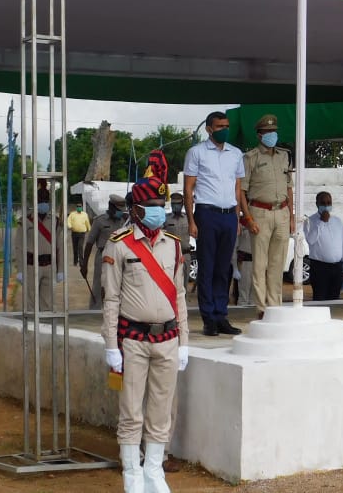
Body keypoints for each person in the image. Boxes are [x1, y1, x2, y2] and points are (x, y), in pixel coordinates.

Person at [101, 174, 188, 493]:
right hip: (133, 339)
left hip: (167, 339)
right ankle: (132, 473)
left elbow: (179, 295)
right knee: (131, 410)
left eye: (161, 206)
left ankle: (153, 470)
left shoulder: (173, 246)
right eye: (151, 206)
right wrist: (112, 344)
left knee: (161, 410)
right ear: (136, 210)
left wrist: (184, 342)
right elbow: (110, 298)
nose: (158, 212)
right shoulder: (119, 244)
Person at [183, 111, 250, 337]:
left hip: (229, 214)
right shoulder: (196, 153)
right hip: (206, 214)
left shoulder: (236, 154)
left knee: (224, 268)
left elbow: (237, 187)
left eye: (227, 125)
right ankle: (209, 318)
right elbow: (188, 188)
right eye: (220, 126)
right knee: (208, 268)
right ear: (209, 129)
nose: (225, 129)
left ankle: (222, 315)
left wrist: (238, 216)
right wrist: (192, 220)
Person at [240, 114, 294, 318]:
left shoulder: (284, 155)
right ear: (259, 135)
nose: (272, 135)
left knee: (277, 263)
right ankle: (261, 308)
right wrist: (248, 218)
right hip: (259, 211)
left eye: (274, 131)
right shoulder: (250, 157)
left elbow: (289, 188)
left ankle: (275, 306)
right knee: (260, 263)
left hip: (282, 211)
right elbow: (242, 192)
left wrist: (291, 216)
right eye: (268, 132)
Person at [82, 194, 128, 310]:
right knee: (99, 284)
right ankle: (95, 309)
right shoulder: (99, 221)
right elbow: (89, 243)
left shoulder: (125, 221)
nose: (120, 212)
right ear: (111, 207)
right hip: (103, 256)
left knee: (119, 284)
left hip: (120, 256)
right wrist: (84, 264)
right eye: (118, 210)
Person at [13, 206, 57, 313]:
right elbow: (19, 247)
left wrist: (60, 269)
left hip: (48, 265)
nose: (44, 203)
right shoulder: (26, 221)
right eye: (41, 198)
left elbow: (60, 245)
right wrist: (19, 270)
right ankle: (31, 327)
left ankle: (45, 327)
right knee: (30, 302)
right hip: (31, 266)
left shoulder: (54, 221)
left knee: (47, 303)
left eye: (46, 199)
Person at [304, 191, 343, 301]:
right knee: (320, 298)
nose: (326, 205)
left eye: (329, 202)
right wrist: (321, 222)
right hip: (320, 267)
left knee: (334, 299)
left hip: (337, 267)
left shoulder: (338, 221)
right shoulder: (310, 221)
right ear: (317, 204)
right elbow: (310, 240)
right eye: (323, 203)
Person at [163, 192, 193, 292]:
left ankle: (184, 305)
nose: (176, 206)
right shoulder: (165, 219)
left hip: (185, 254)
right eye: (173, 204)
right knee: (171, 284)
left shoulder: (188, 218)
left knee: (184, 285)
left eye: (178, 204)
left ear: (182, 204)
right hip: (171, 255)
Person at [232, 225, 254, 305]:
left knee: (254, 296)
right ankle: (242, 312)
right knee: (243, 294)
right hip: (244, 261)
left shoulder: (261, 222)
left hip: (258, 261)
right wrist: (234, 267)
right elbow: (234, 247)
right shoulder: (240, 224)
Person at [67, 203, 91, 267]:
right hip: (74, 233)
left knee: (80, 247)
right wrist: (70, 226)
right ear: (76, 207)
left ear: (82, 207)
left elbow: (87, 222)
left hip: (82, 234)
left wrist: (89, 229)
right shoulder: (72, 214)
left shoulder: (85, 214)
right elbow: (68, 220)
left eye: (80, 207)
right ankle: (75, 261)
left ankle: (81, 262)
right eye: (78, 207)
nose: (79, 208)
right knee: (75, 248)